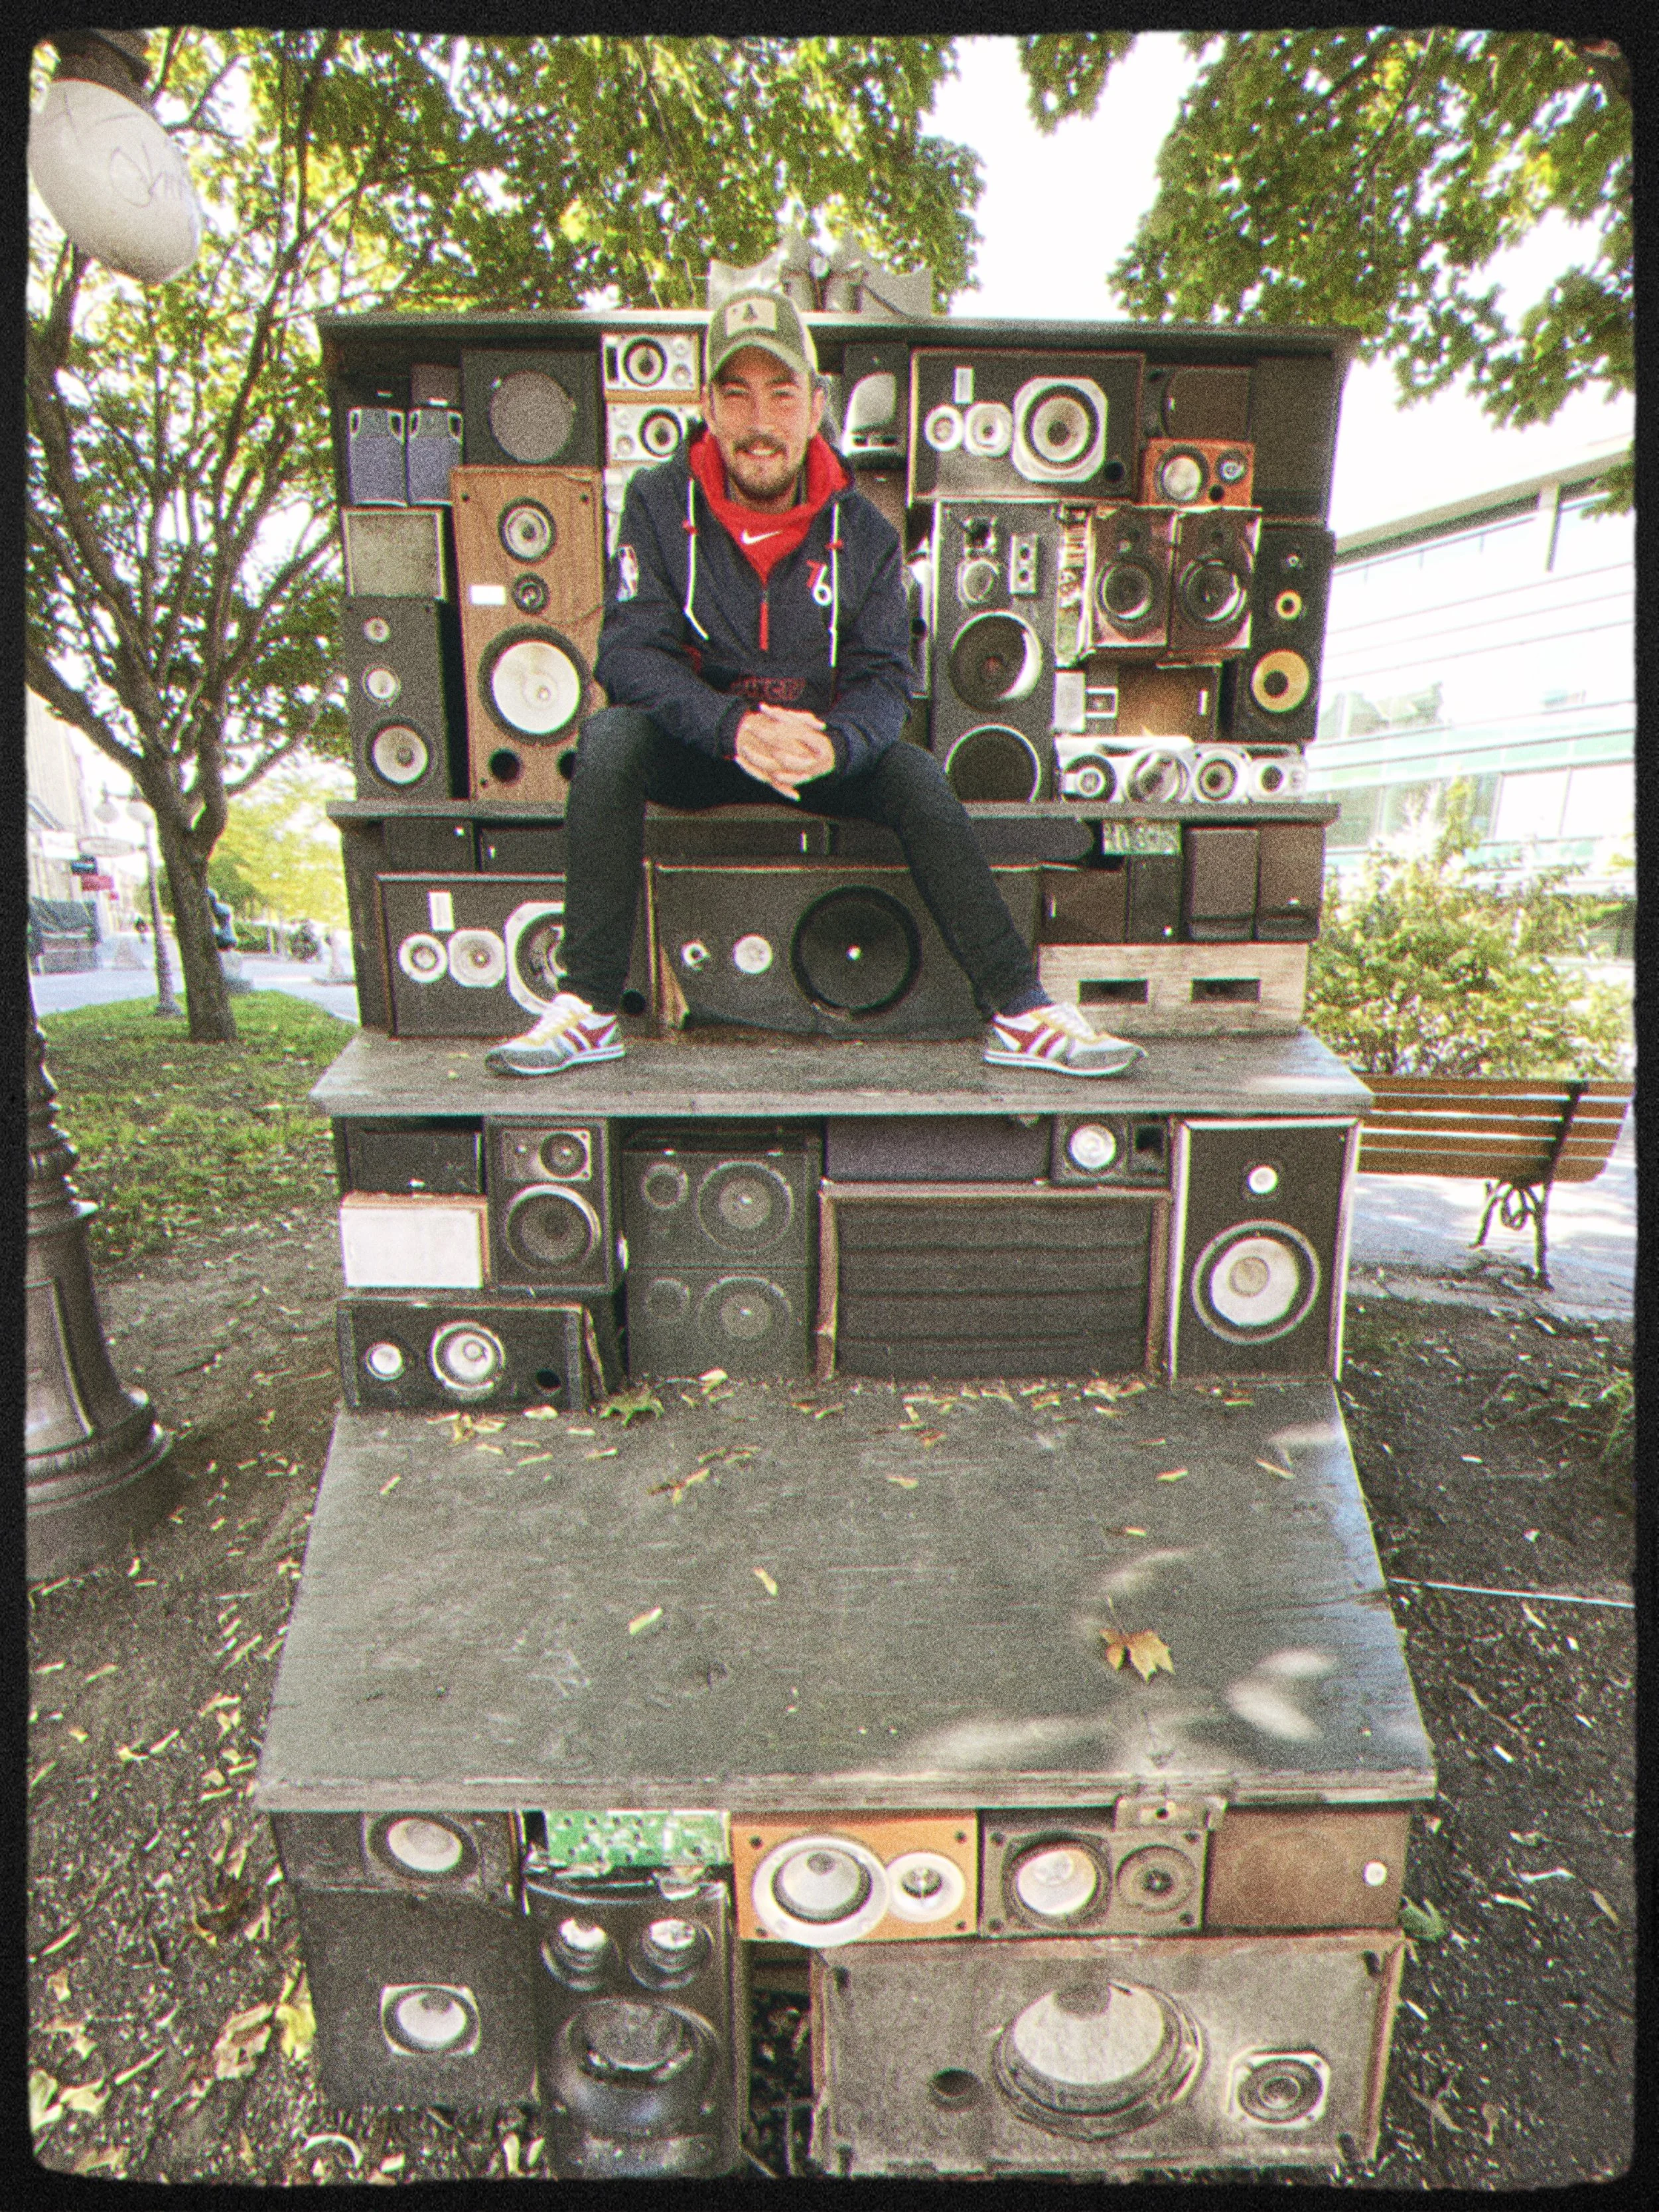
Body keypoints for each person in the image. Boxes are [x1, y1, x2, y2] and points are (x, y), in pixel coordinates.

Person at [484, 286, 1145, 1080]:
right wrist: (733, 727)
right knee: (611, 737)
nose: (759, 422)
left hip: (816, 754)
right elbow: (629, 656)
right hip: (708, 746)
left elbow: (884, 679)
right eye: (736, 395)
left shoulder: (862, 527)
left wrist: (834, 743)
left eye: (781, 394)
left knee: (911, 771)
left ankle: (1020, 1009)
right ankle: (589, 1007)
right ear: (707, 405)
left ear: (816, 406)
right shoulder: (658, 502)